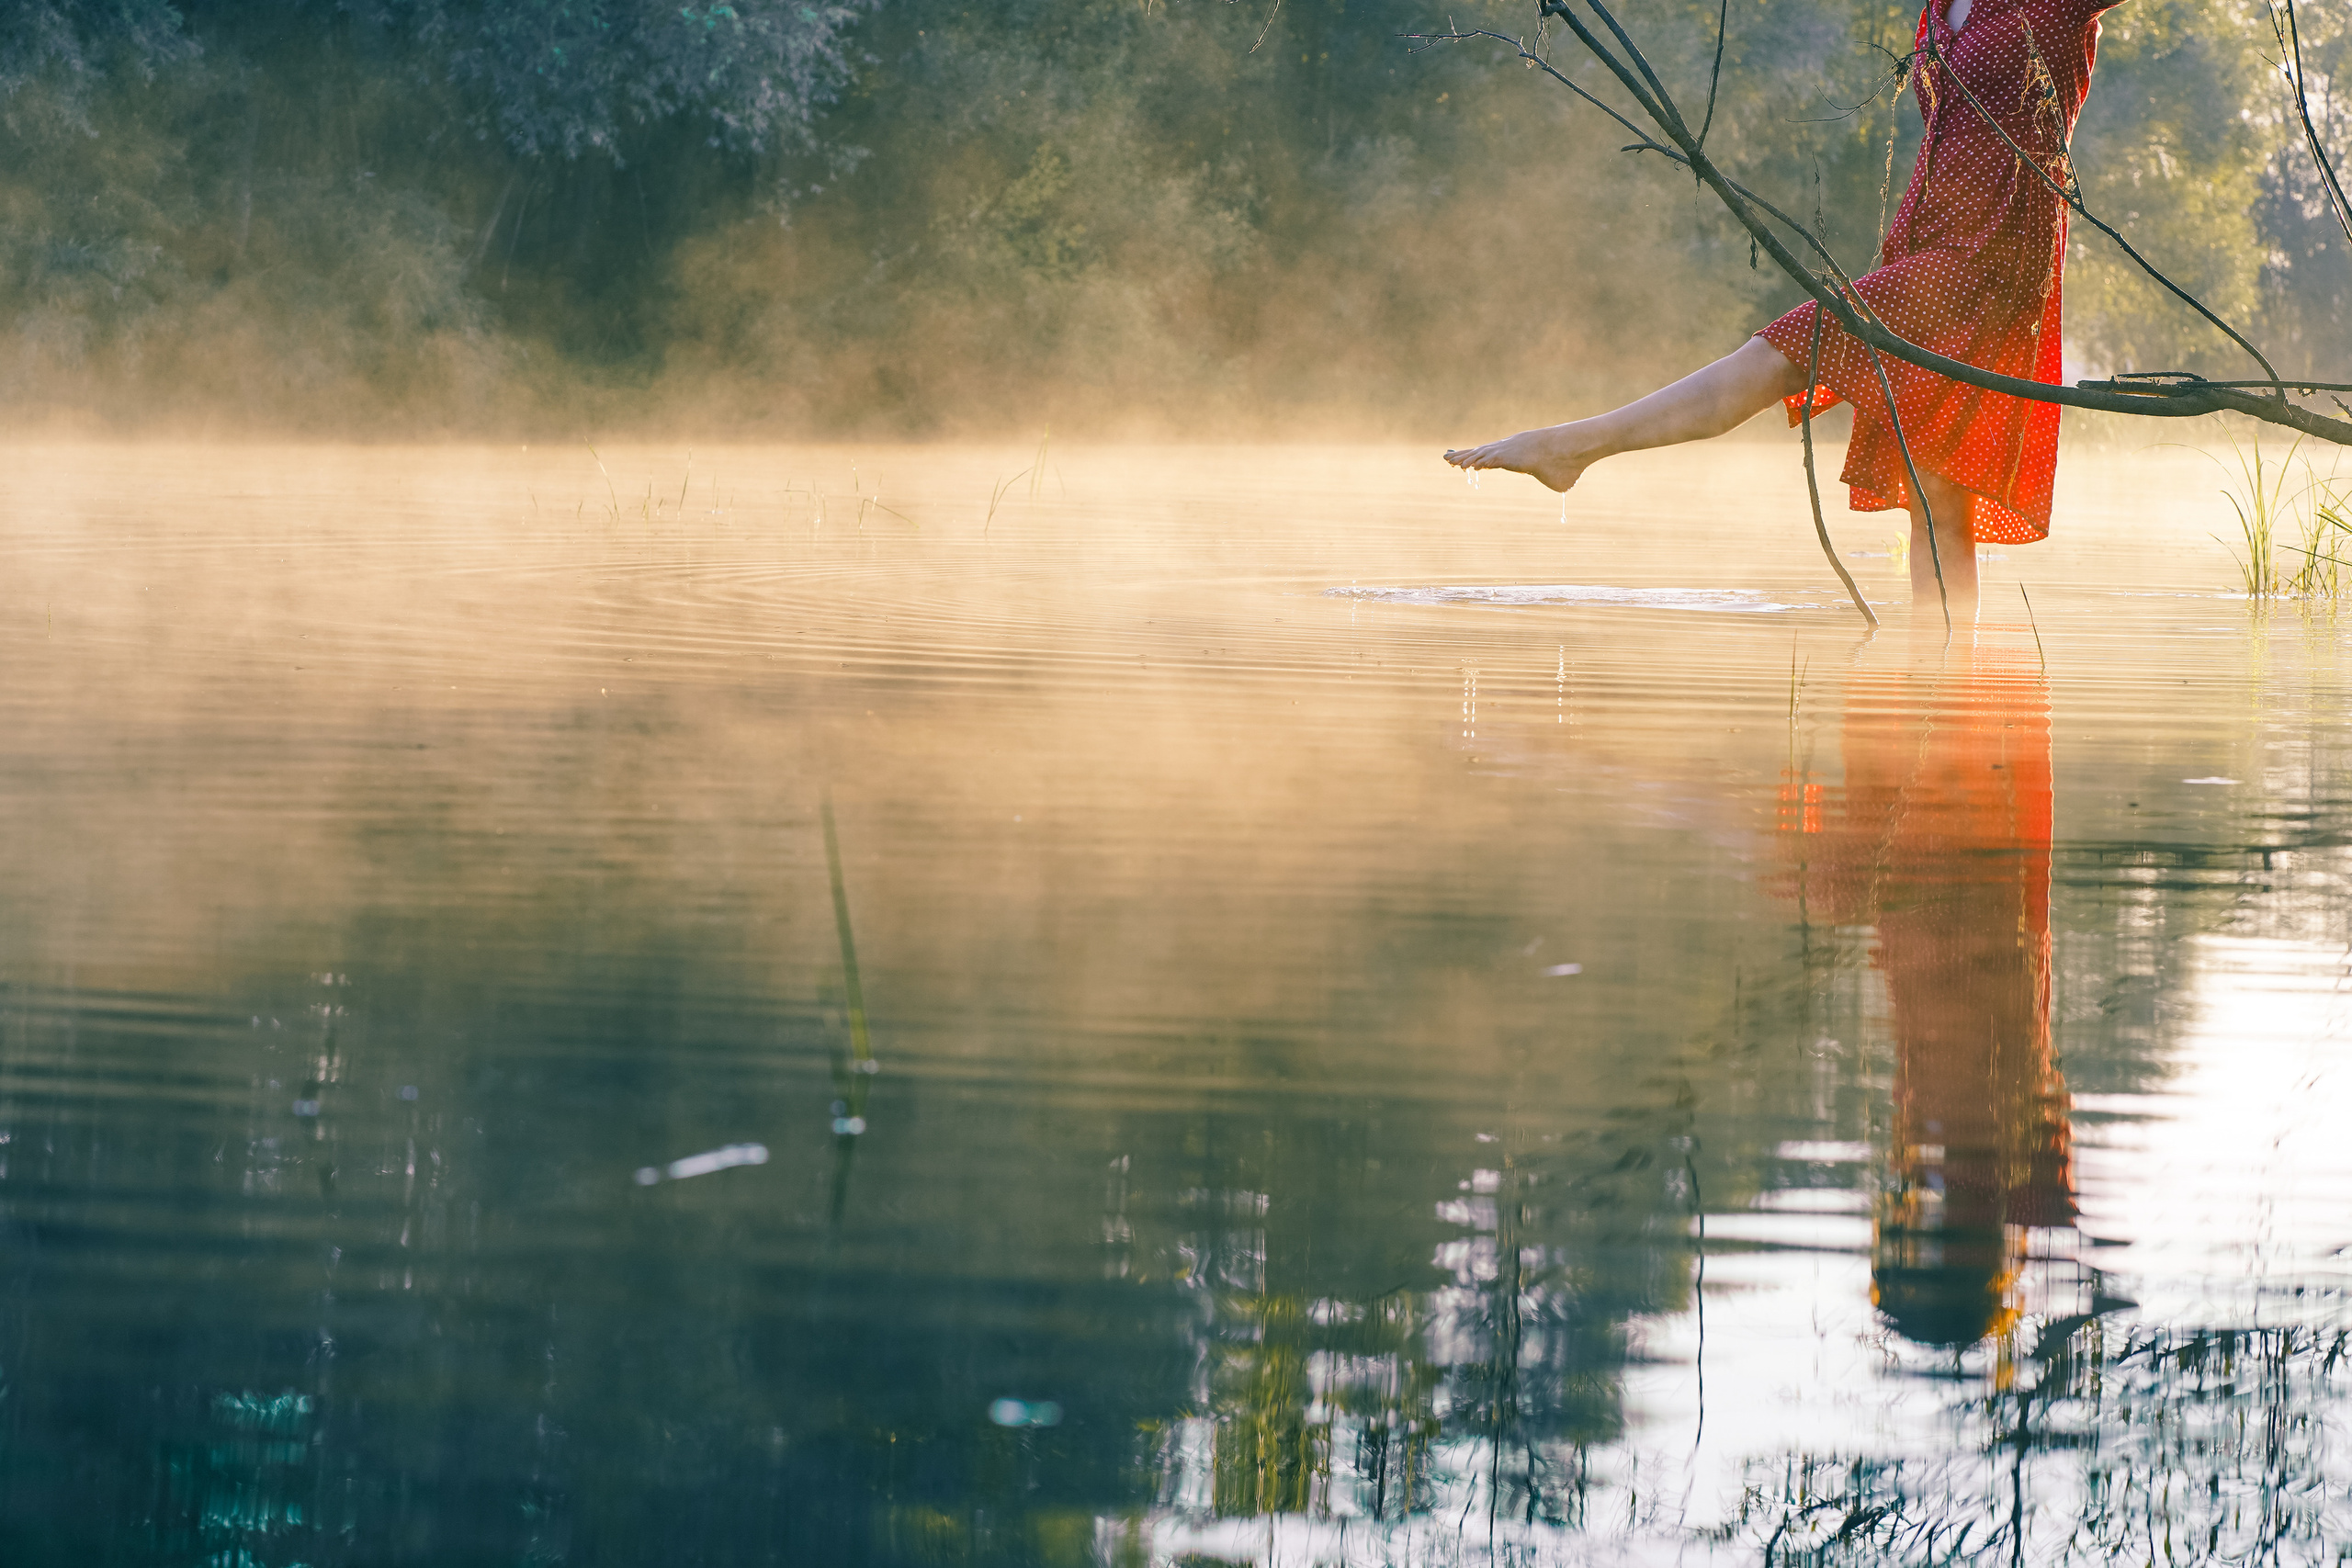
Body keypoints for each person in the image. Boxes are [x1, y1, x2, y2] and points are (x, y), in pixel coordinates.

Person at [1444, 0, 2126, 610]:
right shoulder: (1940, 7)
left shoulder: (2057, 5)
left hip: (1989, 257)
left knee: (1782, 352)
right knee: (1936, 501)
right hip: (1924, 244)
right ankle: (1942, 694)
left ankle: (1573, 447)